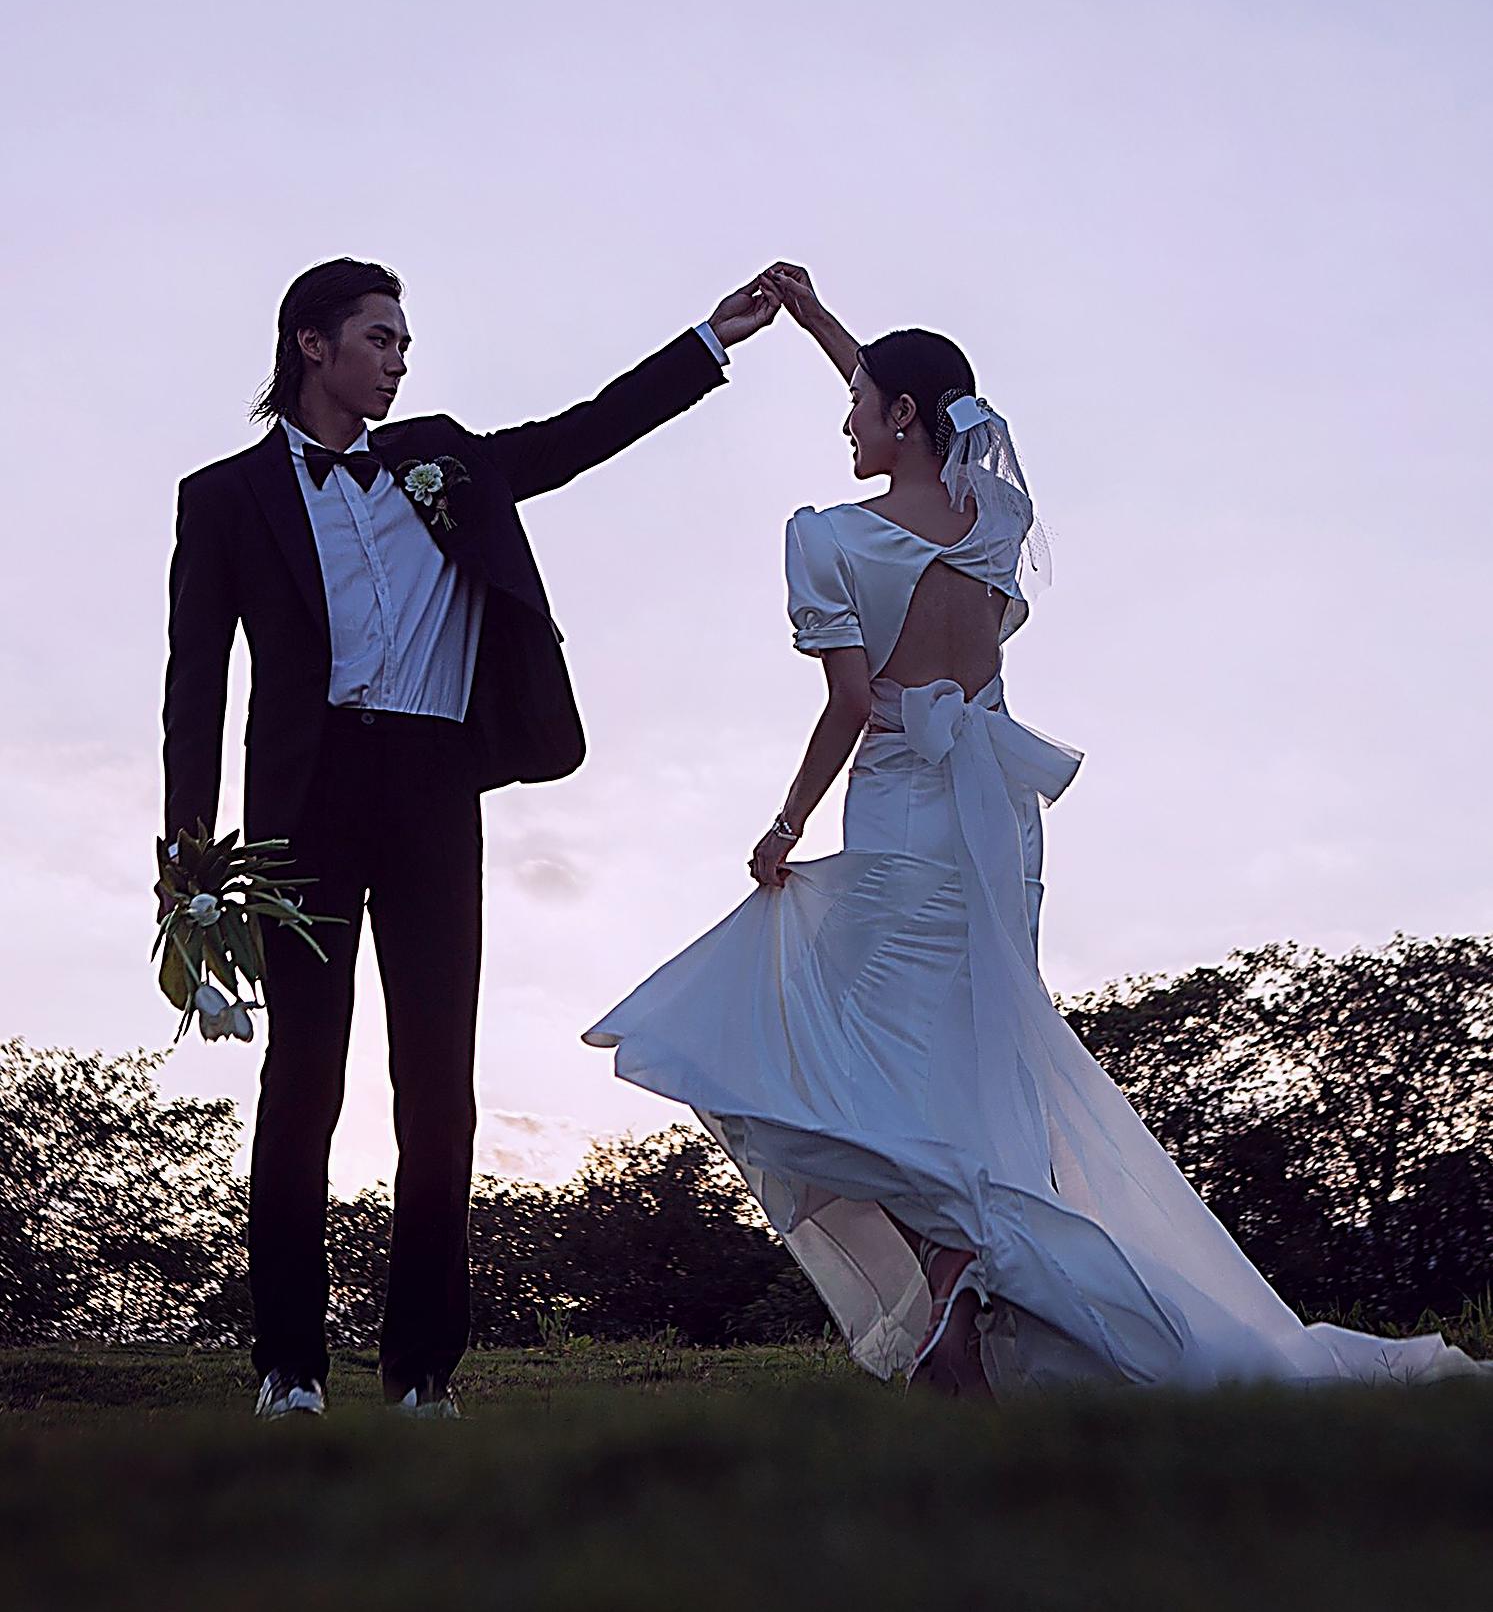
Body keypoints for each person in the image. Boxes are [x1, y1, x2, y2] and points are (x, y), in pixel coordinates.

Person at [586, 264, 1492, 1397]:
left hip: (901, 814)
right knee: (968, 1063)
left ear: (899, 414)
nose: (843, 418)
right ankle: (960, 1295)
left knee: (857, 1067)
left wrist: (782, 824)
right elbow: (924, 415)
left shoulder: (827, 540)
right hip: (992, 824)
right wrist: (821, 324)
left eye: (856, 404)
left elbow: (852, 702)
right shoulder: (995, 517)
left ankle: (955, 1286)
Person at [161, 254, 780, 1419]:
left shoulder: (443, 459)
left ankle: (422, 1372)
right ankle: (288, 1367)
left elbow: (584, 433)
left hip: (435, 788)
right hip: (304, 805)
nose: (398, 361)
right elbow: (194, 689)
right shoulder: (224, 497)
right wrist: (189, 861)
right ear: (312, 345)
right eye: (379, 338)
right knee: (301, 1077)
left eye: (404, 343)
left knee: (438, 1086)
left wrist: (710, 341)